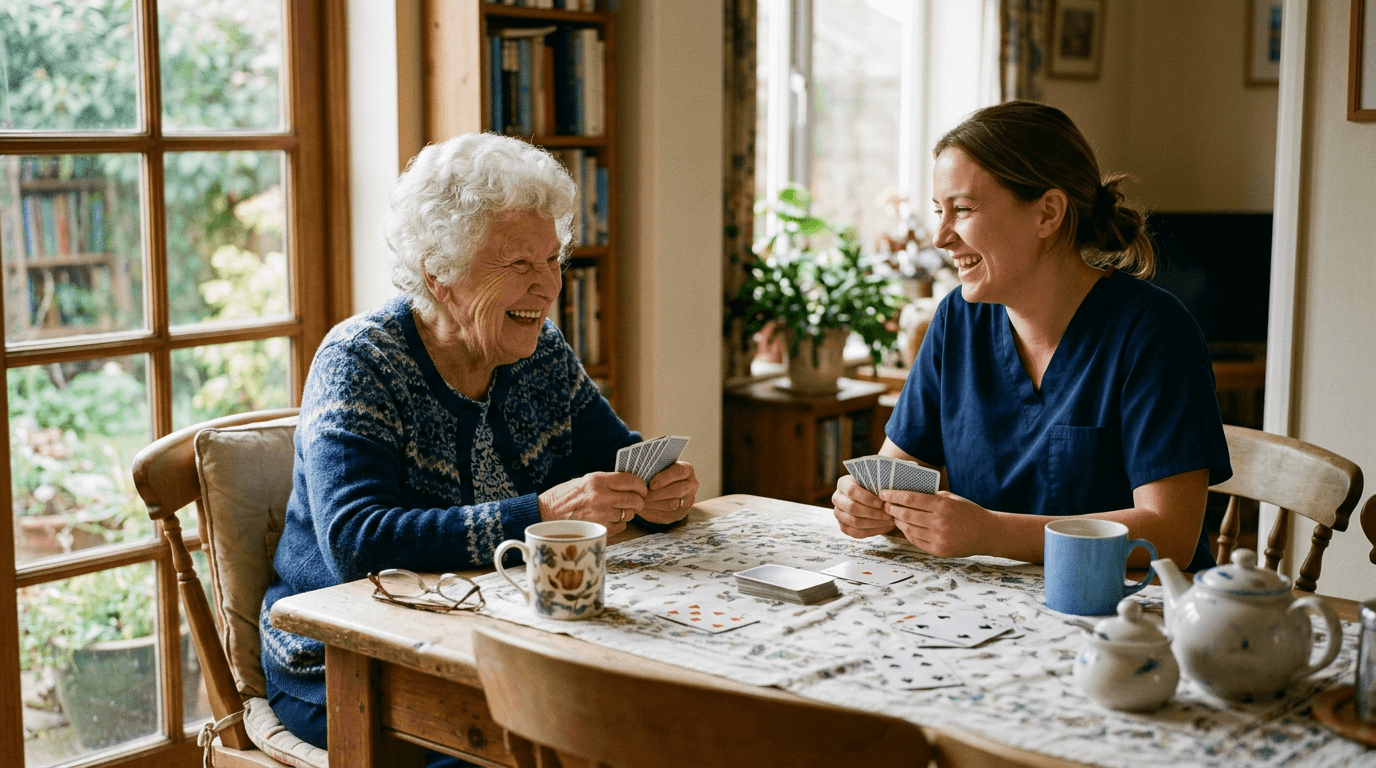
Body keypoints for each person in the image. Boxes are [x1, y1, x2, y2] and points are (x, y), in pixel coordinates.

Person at [260, 133, 699, 764]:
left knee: (654, 719)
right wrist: (540, 515)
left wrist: (661, 494)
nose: (548, 286)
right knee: (570, 746)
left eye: (553, 260)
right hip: (344, 662)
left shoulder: (539, 350)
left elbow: (618, 458)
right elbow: (360, 541)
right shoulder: (360, 360)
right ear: (439, 273)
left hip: (490, 638)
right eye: (520, 265)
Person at [832, 101, 1230, 573]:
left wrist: (991, 533)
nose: (940, 237)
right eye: (939, 211)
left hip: (1130, 616)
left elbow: (1170, 536)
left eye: (962, 209)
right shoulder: (955, 321)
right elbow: (895, 473)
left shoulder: (1155, 333)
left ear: (1047, 213)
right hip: (988, 610)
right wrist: (866, 503)